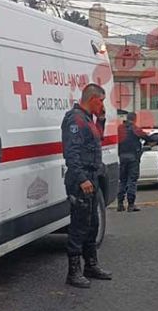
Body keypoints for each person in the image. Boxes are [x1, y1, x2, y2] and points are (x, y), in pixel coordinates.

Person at [60, 83, 113, 288]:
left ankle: (91, 265)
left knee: (92, 224)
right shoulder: (75, 119)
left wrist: (101, 120)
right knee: (79, 225)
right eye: (101, 101)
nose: (102, 105)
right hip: (81, 180)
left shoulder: (88, 120)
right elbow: (71, 154)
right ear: (92, 99)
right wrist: (82, 179)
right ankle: (73, 272)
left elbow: (94, 140)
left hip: (92, 177)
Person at [117, 112, 151, 212]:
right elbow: (147, 137)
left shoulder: (120, 128)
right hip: (133, 159)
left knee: (122, 180)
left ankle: (120, 204)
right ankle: (131, 205)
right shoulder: (135, 128)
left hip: (122, 158)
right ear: (135, 119)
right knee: (132, 180)